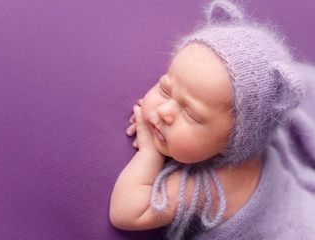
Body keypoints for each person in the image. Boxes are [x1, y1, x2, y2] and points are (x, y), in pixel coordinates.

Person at [109, 1, 315, 239]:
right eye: (166, 89)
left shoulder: (214, 186)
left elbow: (126, 212)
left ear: (231, 143)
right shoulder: (231, 144)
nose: (165, 111)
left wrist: (149, 153)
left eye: (191, 114)